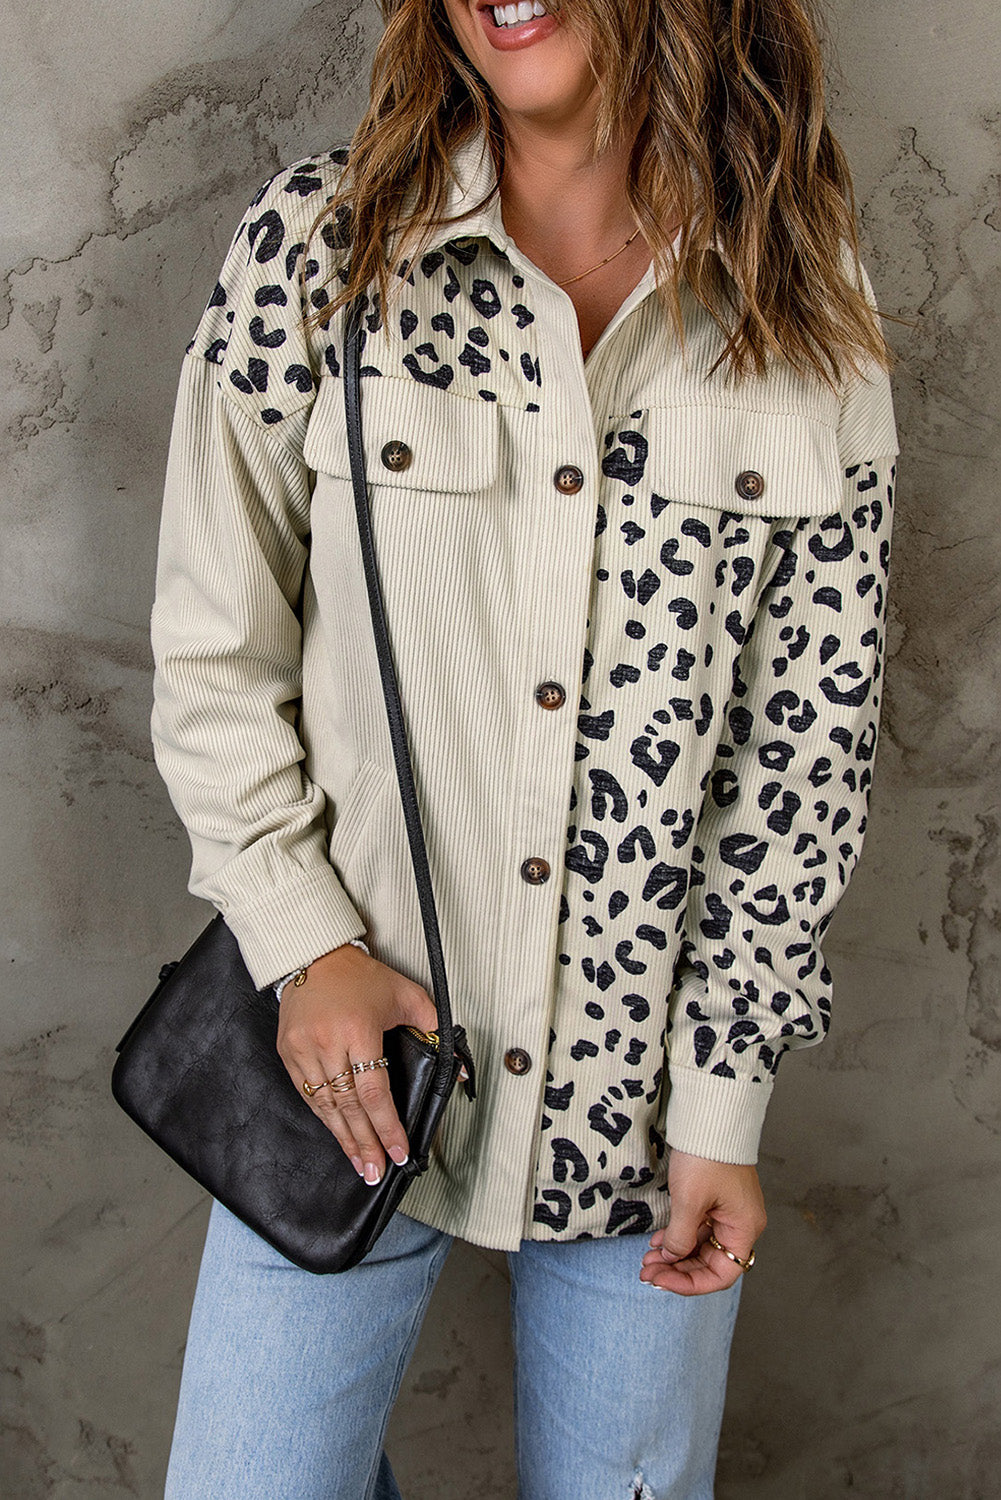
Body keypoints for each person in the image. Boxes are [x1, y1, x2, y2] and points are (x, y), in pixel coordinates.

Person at [149, 0, 899, 1494]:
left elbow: (803, 758)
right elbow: (214, 649)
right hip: (348, 1080)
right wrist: (305, 945)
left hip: (646, 1123)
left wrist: (723, 1102)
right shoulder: (321, 249)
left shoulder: (802, 302)